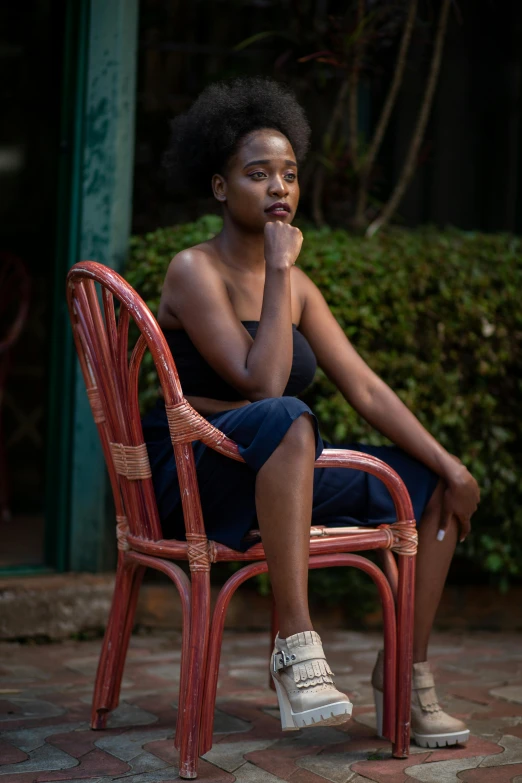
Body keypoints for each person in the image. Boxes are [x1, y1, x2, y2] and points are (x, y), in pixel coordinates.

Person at [142, 77, 480, 746]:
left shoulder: (298, 287)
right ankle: (296, 651)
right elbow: (264, 388)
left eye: (289, 175)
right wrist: (275, 270)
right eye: (258, 173)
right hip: (196, 477)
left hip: (278, 469)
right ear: (220, 187)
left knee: (432, 486)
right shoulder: (194, 270)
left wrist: (451, 464)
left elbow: (367, 389)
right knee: (289, 414)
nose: (279, 189)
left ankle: (404, 676)